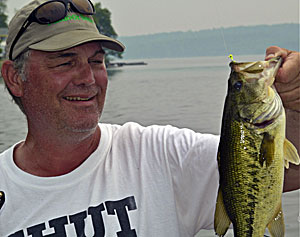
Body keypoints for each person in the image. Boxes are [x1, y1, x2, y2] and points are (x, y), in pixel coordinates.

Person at [0, 0, 299, 236]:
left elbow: (278, 172)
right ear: (14, 77)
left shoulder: (159, 154)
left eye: (96, 61)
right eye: (65, 62)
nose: (88, 78)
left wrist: (296, 108)